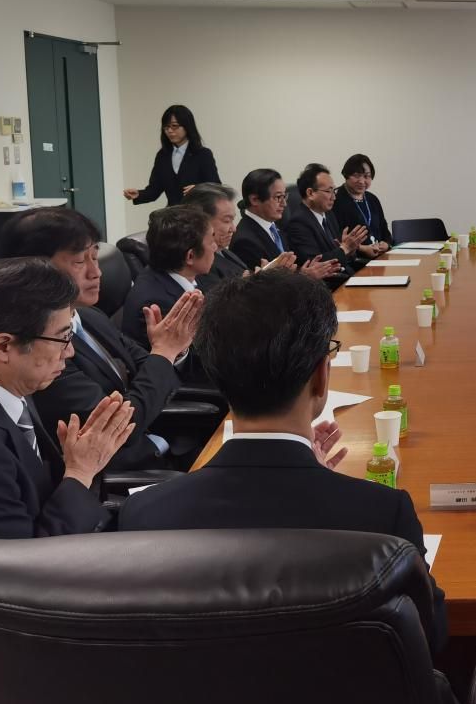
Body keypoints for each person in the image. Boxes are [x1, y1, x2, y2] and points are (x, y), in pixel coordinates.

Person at [119, 269, 448, 652]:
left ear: (216, 373)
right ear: (321, 376)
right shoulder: (382, 514)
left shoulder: (145, 515)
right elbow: (432, 636)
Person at [0, 258, 135, 609]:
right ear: (3, 347)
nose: (70, 351)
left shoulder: (3, 389)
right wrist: (80, 472)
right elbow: (23, 573)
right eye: (62, 337)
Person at [0, 207, 201, 470]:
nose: (96, 272)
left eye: (95, 257)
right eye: (79, 262)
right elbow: (119, 426)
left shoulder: (89, 315)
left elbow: (151, 366)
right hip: (121, 469)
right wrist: (164, 352)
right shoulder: (41, 348)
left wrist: (172, 350)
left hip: (157, 440)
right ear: (35, 268)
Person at [121, 206, 216, 350]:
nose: (215, 247)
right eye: (211, 242)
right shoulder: (158, 304)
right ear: (190, 256)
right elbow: (200, 354)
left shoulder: (187, 274)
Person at [230, 168, 341, 281]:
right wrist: (305, 277)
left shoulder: (273, 225)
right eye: (278, 197)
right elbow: (265, 287)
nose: (284, 204)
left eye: (284, 196)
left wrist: (306, 271)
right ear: (254, 200)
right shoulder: (244, 241)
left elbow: (289, 269)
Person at [286, 163, 371, 289]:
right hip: (327, 287)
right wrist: (345, 248)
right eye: (328, 191)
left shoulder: (328, 214)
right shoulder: (298, 223)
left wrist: (351, 250)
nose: (334, 197)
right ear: (310, 193)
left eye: (334, 190)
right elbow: (316, 264)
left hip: (345, 276)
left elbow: (339, 252)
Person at [122, 104, 221, 207]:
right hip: (173, 214)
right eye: (166, 127)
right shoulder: (162, 155)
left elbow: (217, 188)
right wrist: (139, 194)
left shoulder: (203, 154)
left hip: (198, 213)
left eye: (174, 126)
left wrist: (198, 189)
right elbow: (155, 189)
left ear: (187, 126)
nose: (169, 131)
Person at [332, 153, 392, 254]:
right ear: (346, 175)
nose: (362, 181)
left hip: (379, 256)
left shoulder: (373, 199)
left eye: (366, 176)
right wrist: (362, 249)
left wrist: (386, 244)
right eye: (357, 176)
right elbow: (334, 237)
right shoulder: (335, 199)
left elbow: (384, 230)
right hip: (353, 259)